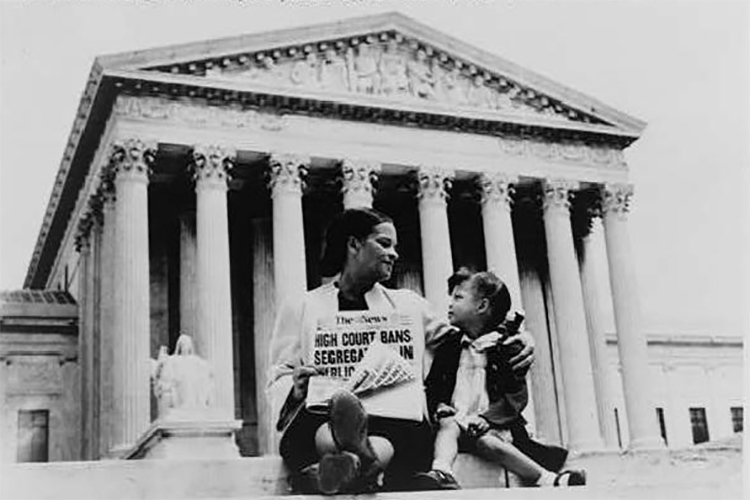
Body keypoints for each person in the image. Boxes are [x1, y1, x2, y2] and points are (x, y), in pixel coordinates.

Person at [267, 208, 536, 494]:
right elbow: (279, 374)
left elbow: (466, 338)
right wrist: (295, 388)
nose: (394, 254)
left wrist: (518, 335)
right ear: (354, 244)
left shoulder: (409, 305)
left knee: (397, 429)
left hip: (392, 421)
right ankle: (361, 462)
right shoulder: (303, 306)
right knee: (326, 420)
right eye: (384, 243)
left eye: (394, 246)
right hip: (323, 414)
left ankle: (342, 468)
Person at [416, 268, 585, 489]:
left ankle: (547, 478)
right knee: (448, 426)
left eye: (458, 297)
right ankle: (442, 471)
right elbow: (434, 384)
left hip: (494, 424)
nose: (450, 304)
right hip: (457, 419)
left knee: (488, 443)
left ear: (482, 306)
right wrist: (439, 406)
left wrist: (488, 419)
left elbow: (515, 396)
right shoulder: (449, 345)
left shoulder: (508, 346)